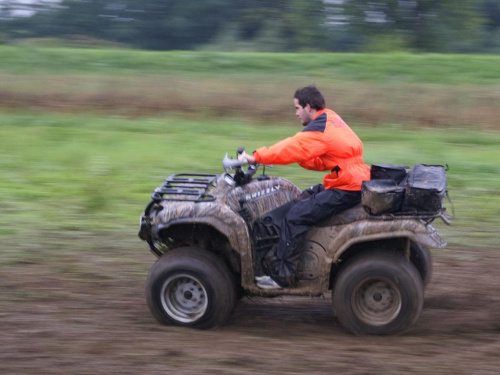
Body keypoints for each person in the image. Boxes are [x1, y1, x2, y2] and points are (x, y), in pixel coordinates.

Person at [238, 85, 370, 289]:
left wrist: (256, 156)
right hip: (351, 180)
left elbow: (292, 146)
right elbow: (328, 158)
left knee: (295, 216)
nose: (296, 113)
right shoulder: (331, 118)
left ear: (308, 107)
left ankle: (283, 276)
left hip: (347, 186)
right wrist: (301, 160)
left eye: (297, 108)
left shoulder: (319, 128)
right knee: (303, 197)